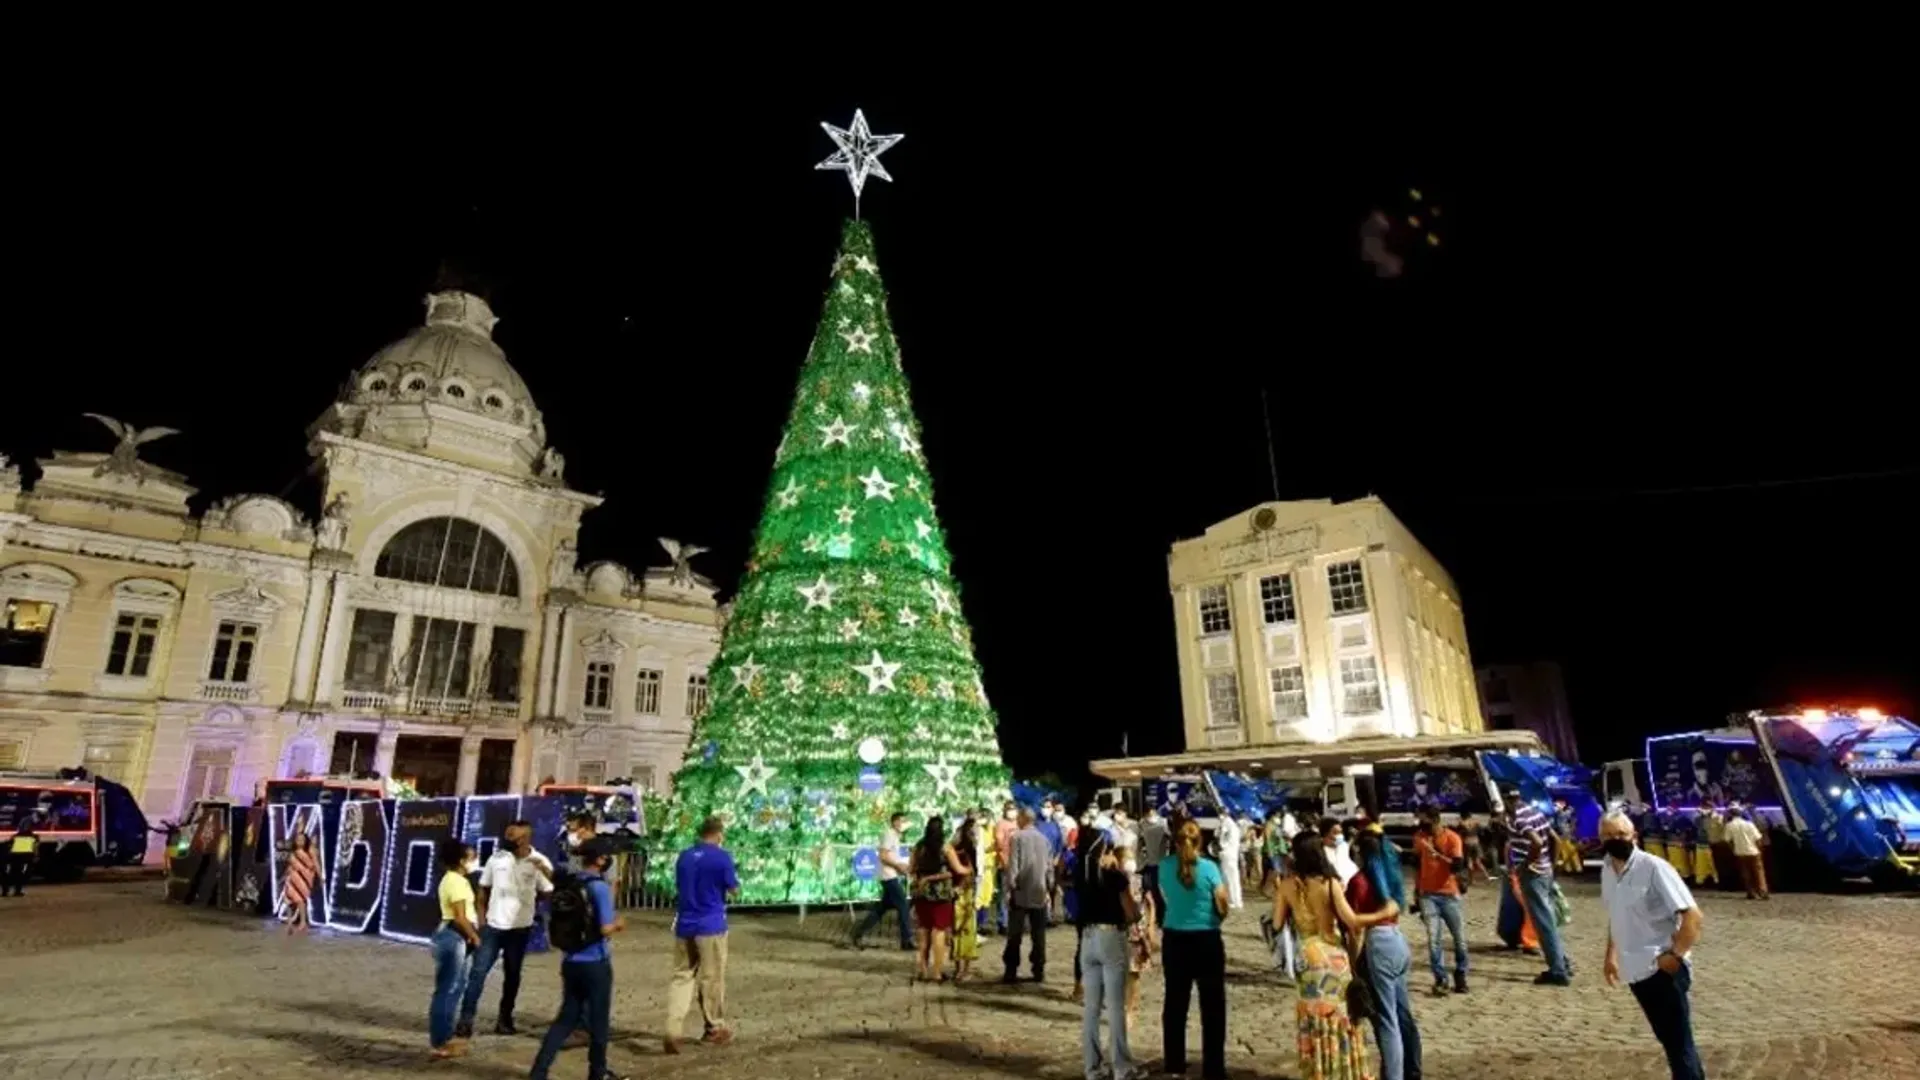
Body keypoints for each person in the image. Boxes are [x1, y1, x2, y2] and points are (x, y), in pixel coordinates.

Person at [1272, 831, 1388, 1080]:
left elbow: (1277, 922)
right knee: (1341, 1017)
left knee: (1314, 1018)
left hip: (1307, 956)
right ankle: (1345, 1071)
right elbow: (1353, 920)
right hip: (1332, 954)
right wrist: (1383, 913)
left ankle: (1318, 1072)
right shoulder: (1330, 883)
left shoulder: (1286, 884)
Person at [1599, 812, 1706, 1080]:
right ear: (1600, 838)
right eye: (1609, 835)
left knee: (1679, 1043)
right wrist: (1610, 955)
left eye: (1621, 834)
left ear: (1634, 835)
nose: (1616, 840)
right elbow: (1616, 915)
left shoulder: (1654, 868)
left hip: (1661, 968)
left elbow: (1693, 917)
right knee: (1670, 1040)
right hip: (1633, 968)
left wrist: (1674, 956)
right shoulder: (1607, 869)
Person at [530, 838, 625, 1080]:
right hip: (595, 962)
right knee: (599, 1021)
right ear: (601, 859)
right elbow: (605, 928)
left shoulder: (568, 884)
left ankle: (539, 1070)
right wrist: (618, 925)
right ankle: (597, 1072)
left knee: (565, 1018)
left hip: (571, 960)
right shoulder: (599, 888)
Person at [460, 820, 553, 1036]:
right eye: (507, 835)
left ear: (525, 839)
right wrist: (481, 921)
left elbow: (547, 890)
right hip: (493, 927)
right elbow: (483, 891)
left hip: (520, 929)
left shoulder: (538, 862)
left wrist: (530, 902)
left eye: (513, 836)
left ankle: (505, 1020)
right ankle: (465, 1020)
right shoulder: (497, 859)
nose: (508, 840)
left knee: (512, 975)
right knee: (477, 973)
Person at [1158, 819, 1228, 1080]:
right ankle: (1214, 1067)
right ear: (1201, 841)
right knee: (1213, 1006)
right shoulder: (1209, 868)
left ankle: (1174, 1062)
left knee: (1175, 1002)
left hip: (1175, 937)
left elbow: (1165, 896)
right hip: (1206, 937)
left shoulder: (1164, 868)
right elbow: (1222, 901)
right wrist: (1218, 917)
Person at [1351, 827, 1422, 1080]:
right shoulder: (1391, 876)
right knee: (1402, 1014)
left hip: (1377, 942)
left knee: (1386, 1021)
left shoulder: (1359, 882)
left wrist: (1352, 963)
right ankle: (1413, 1069)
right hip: (1397, 940)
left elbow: (1355, 929)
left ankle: (1393, 1075)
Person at [666, 816, 738, 1052]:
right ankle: (714, 1027)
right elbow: (733, 889)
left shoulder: (685, 856)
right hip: (711, 924)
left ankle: (673, 1027)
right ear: (719, 834)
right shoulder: (721, 857)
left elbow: (679, 886)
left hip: (685, 922)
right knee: (711, 978)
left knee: (682, 977)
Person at [1075, 820, 1139, 1080]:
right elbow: (1131, 912)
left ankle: (1092, 1068)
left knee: (1091, 1008)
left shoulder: (1080, 873)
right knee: (1115, 1006)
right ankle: (1121, 1067)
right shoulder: (1113, 877)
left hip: (1087, 939)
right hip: (1111, 936)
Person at [1504, 788, 1572, 985]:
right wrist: (1553, 864)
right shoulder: (1534, 812)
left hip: (1533, 875)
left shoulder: (1518, 817)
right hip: (1545, 871)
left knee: (1543, 923)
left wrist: (1526, 865)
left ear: (1507, 800)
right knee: (1549, 919)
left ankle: (1558, 970)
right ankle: (1562, 962)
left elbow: (1536, 841)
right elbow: (1555, 839)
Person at [428, 839, 481, 1060]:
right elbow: (459, 916)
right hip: (455, 937)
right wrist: (474, 936)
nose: (474, 860)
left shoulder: (455, 880)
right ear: (461, 860)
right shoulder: (456, 882)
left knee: (455, 988)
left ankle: (446, 1038)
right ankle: (441, 1041)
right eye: (471, 856)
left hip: (456, 937)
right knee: (447, 989)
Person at [1412, 806, 1468, 996]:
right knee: (1433, 940)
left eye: (1424, 820)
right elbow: (1417, 866)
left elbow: (1457, 867)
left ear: (1435, 820)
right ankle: (1440, 978)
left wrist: (1438, 855)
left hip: (1449, 894)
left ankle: (1461, 974)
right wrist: (1416, 892)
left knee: (1459, 939)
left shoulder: (1453, 838)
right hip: (1427, 895)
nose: (1421, 825)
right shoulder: (1419, 838)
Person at [909, 816, 965, 982]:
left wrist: (922, 877)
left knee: (923, 930)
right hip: (941, 895)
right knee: (939, 931)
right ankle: (937, 971)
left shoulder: (918, 848)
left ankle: (922, 969)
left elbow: (911, 868)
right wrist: (968, 869)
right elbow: (958, 869)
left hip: (922, 893)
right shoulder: (946, 848)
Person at [851, 811, 915, 950]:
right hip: (888, 876)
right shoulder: (889, 835)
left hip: (891, 874)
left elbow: (890, 856)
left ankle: (858, 933)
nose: (904, 824)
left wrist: (900, 868)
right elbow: (883, 856)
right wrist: (898, 866)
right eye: (902, 821)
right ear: (895, 822)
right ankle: (906, 940)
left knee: (881, 908)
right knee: (903, 905)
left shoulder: (895, 837)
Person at [1003, 807, 1051, 982]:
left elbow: (1013, 864)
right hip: (1039, 890)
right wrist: (1049, 888)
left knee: (1015, 933)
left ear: (1023, 819)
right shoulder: (1044, 840)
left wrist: (1010, 886)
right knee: (1039, 934)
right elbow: (1049, 867)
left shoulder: (1017, 838)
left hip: (1021, 891)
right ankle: (1038, 968)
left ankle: (1011, 969)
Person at [951, 816, 982, 982]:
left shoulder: (954, 849)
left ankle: (958, 969)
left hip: (956, 894)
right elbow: (970, 872)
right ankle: (965, 970)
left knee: (957, 930)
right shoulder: (968, 851)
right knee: (967, 931)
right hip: (965, 893)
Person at [1723, 806, 1769, 899]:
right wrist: (1759, 850)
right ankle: (1763, 891)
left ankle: (1751, 892)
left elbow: (1727, 840)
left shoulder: (1729, 825)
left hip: (1740, 852)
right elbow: (1758, 838)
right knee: (1759, 872)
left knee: (1746, 873)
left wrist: (1733, 849)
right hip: (1753, 851)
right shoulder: (1749, 824)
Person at [1137, 805, 1169, 928]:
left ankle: (1162, 918)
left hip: (1161, 863)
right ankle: (1151, 918)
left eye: (1152, 812)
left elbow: (1171, 838)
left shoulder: (1163, 823)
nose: (1150, 815)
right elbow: (1140, 842)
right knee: (1148, 892)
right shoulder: (1141, 824)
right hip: (1148, 863)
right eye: (1148, 813)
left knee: (1160, 893)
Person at [281, 830, 319, 935]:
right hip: (292, 878)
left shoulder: (310, 851)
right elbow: (289, 866)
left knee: (300, 900)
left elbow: (315, 865)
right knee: (287, 900)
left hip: (303, 879)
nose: (299, 841)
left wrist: (321, 877)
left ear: (305, 841)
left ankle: (303, 922)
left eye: (302, 840)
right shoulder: (293, 853)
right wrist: (285, 876)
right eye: (298, 840)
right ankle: (289, 922)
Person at [994, 800, 1019, 933]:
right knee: (1004, 895)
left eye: (1013, 809)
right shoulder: (1000, 825)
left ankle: (1016, 921)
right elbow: (999, 846)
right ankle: (1003, 922)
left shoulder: (1019, 823)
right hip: (1005, 865)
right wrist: (1005, 863)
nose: (1011, 811)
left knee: (1018, 894)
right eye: (1009, 809)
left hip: (1019, 864)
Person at [1215, 812, 1244, 910]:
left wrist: (1220, 844)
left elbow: (1222, 841)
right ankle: (1237, 901)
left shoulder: (1226, 825)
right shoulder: (1235, 826)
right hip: (1233, 855)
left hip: (1227, 854)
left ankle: (1232, 900)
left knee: (1227, 879)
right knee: (1234, 879)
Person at [1321, 818, 1359, 886]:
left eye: (1340, 832)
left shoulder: (1343, 846)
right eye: (1335, 832)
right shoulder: (1321, 852)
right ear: (1325, 834)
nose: (1339, 836)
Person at [4, 817, 36, 896]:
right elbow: (35, 848)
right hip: (24, 857)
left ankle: (6, 891)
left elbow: (9, 845)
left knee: (12, 874)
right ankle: (16, 891)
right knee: (20, 875)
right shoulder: (33, 837)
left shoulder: (16, 836)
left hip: (15, 857)